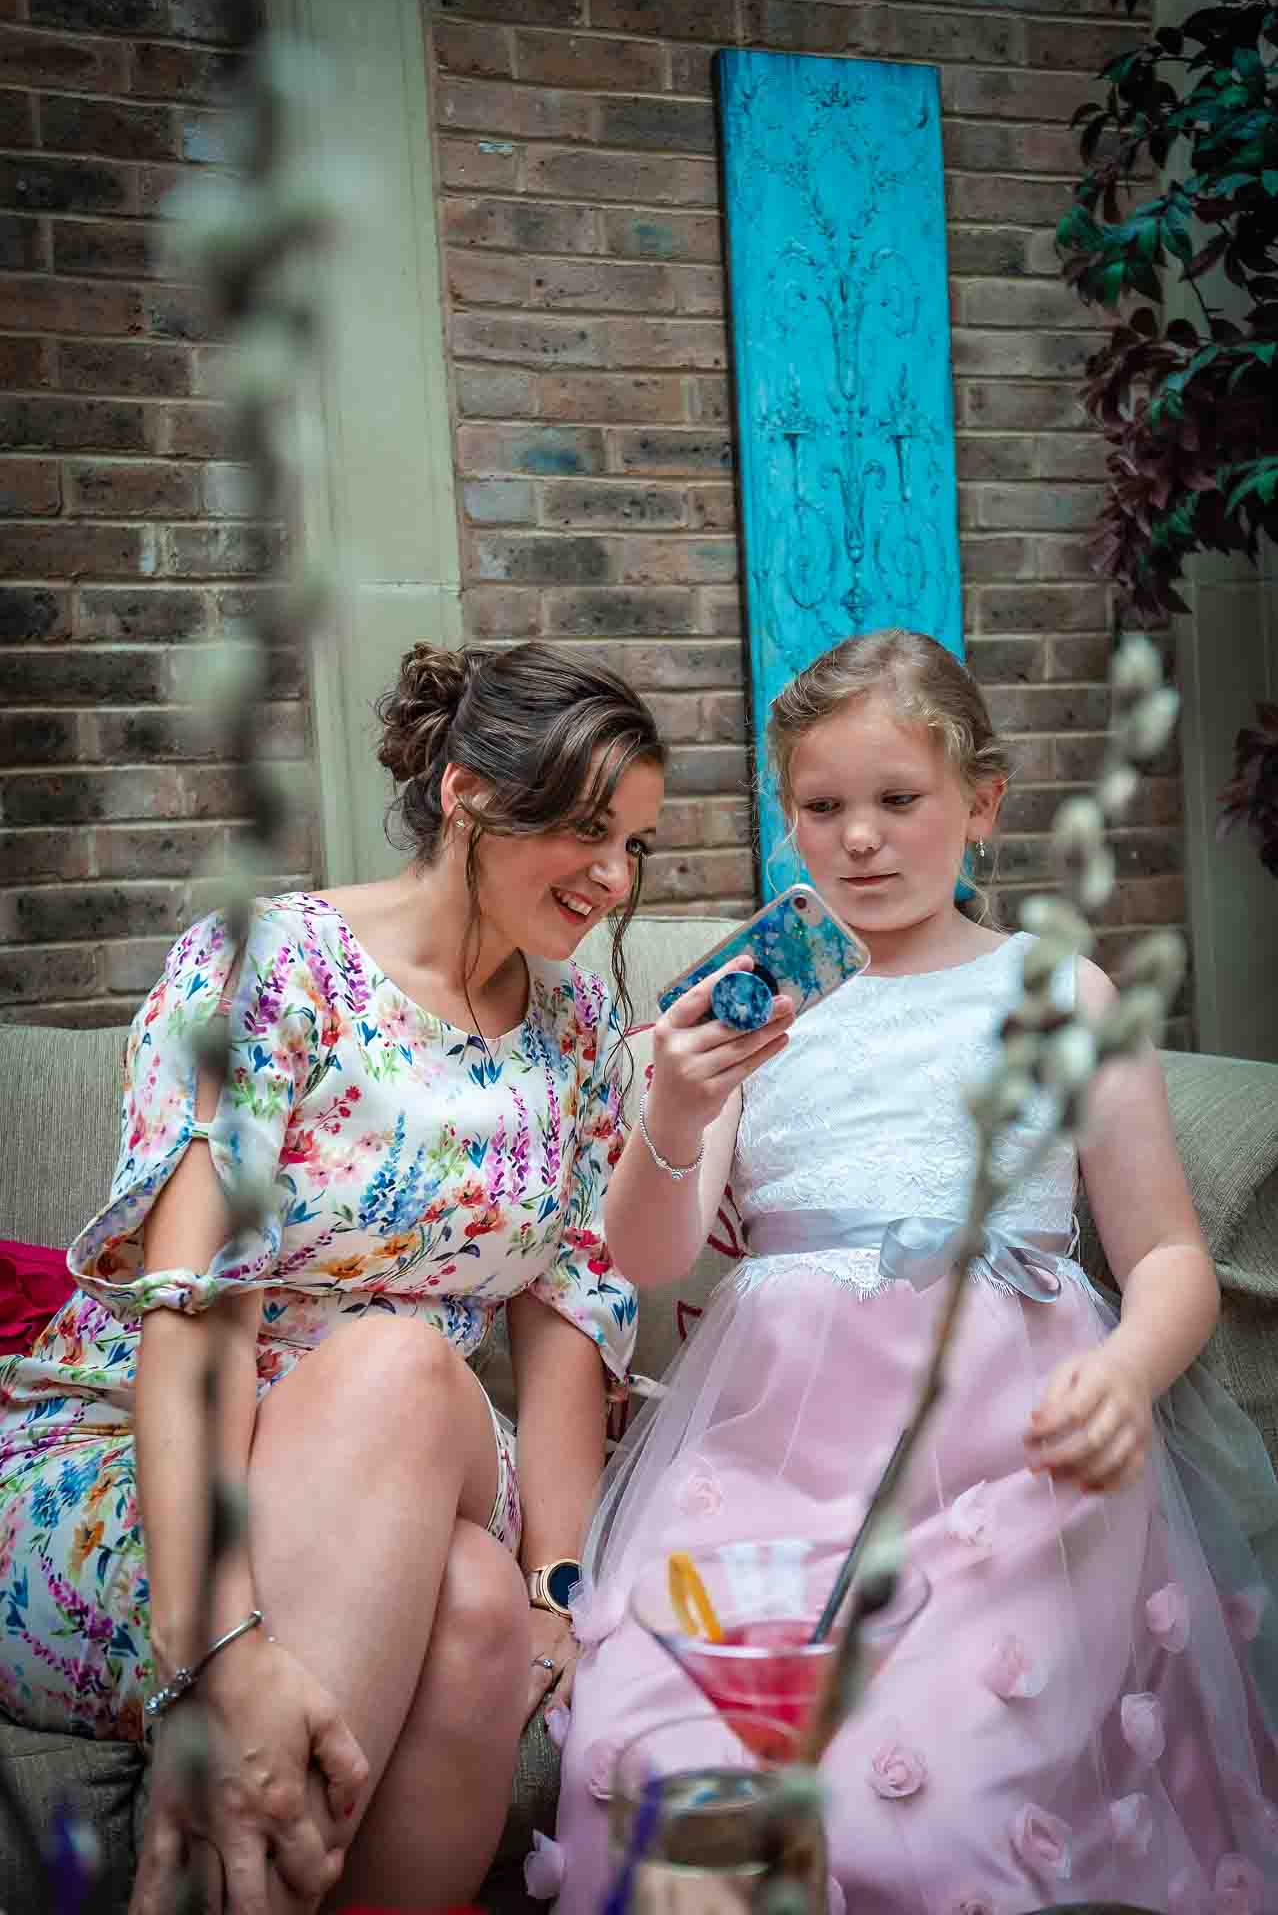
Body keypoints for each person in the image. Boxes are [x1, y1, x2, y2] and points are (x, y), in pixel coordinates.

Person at [553, 628, 1278, 1913]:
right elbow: (650, 1261)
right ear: (788, 820)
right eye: (824, 809)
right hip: (773, 1467)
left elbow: (1168, 1251)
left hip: (1007, 1470)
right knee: (676, 1797)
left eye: (900, 801)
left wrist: (1124, 1369)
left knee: (922, 1819)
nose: (861, 840)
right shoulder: (745, 1001)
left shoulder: (1060, 992)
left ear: (982, 804)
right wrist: (667, 1111)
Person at [0, 640, 666, 1913]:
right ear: (467, 793)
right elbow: (190, 1321)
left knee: (479, 1563)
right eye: (586, 831)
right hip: (136, 1487)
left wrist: (561, 1592)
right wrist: (222, 1652)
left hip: (411, 1469)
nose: (612, 878)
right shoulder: (273, 970)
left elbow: (569, 1303)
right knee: (452, 1566)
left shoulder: (578, 1029)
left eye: (635, 845)